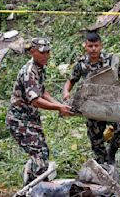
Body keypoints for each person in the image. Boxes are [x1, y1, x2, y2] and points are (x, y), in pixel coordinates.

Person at [6, 38, 73, 185]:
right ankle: (36, 186)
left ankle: (33, 182)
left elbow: (42, 91)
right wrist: (59, 108)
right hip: (20, 120)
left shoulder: (39, 68)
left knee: (41, 152)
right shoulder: (29, 71)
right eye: (43, 52)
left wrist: (60, 106)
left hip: (30, 118)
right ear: (32, 52)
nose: (46, 55)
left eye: (48, 52)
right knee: (39, 153)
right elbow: (35, 100)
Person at [63, 31, 120, 164]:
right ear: (85, 46)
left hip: (112, 104)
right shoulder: (81, 65)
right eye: (90, 46)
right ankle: (103, 163)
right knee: (96, 139)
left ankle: (112, 151)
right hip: (93, 106)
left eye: (96, 46)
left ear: (101, 46)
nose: (93, 49)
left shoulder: (111, 60)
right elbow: (71, 80)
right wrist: (66, 92)